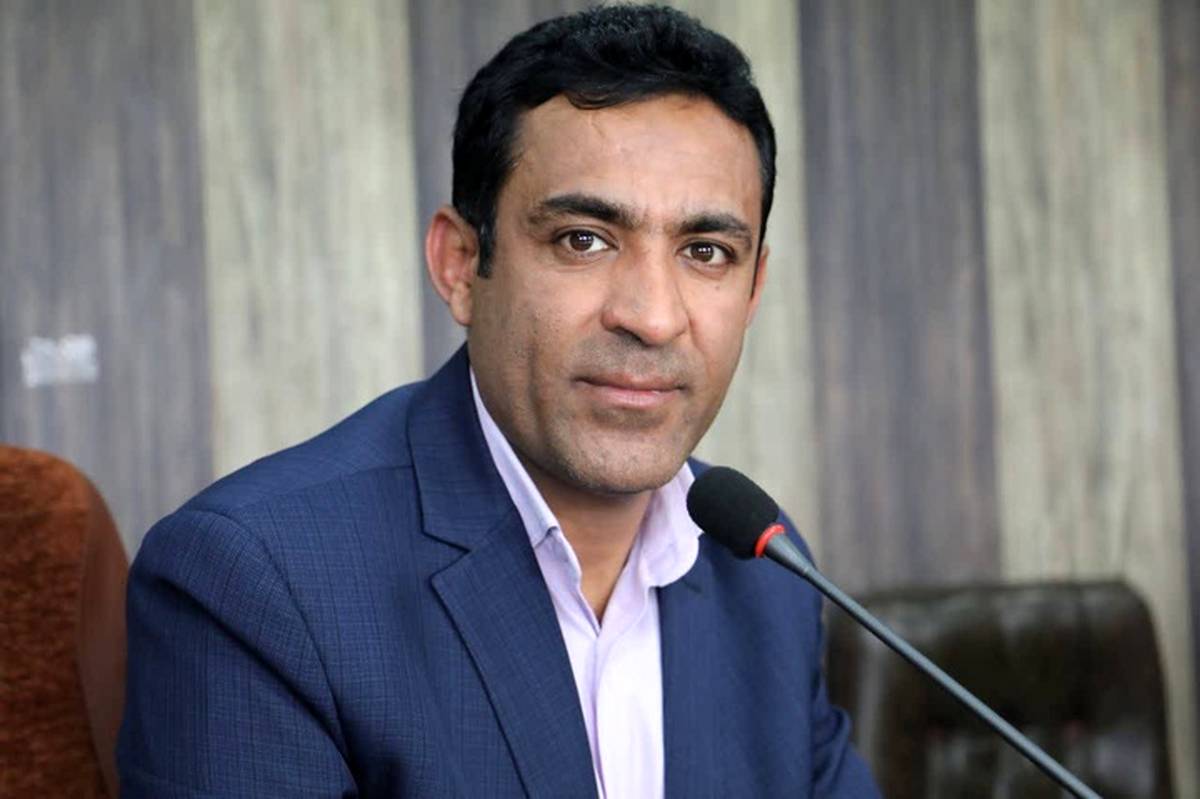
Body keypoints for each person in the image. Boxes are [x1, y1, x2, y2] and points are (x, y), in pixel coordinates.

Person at [118, 5, 879, 797]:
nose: (653, 317)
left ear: (753, 290)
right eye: (583, 239)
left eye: (706, 252)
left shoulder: (765, 575)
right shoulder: (253, 582)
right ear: (459, 264)